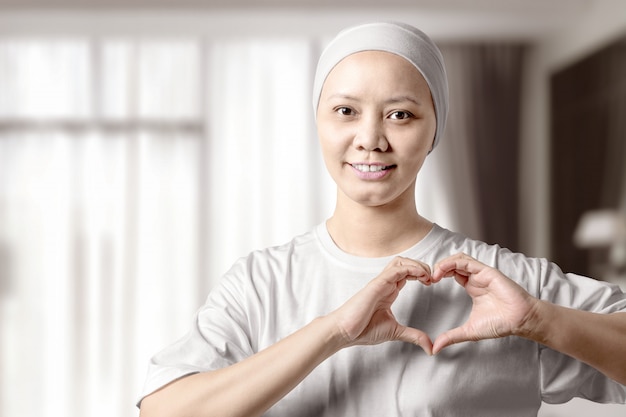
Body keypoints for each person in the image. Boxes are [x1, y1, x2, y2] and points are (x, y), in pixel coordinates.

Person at [137, 21, 626, 417]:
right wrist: (332, 333)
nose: (370, 138)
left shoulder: (509, 284)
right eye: (346, 110)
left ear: (435, 128)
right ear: (319, 122)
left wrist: (541, 320)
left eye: (401, 115)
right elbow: (163, 411)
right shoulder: (261, 284)